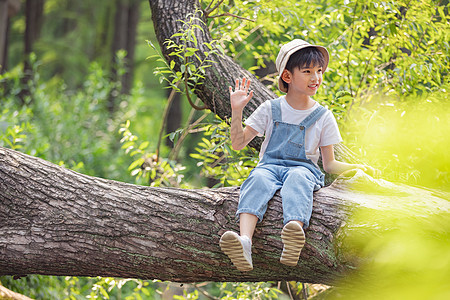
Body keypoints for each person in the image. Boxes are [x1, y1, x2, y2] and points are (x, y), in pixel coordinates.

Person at [219, 39, 378, 272]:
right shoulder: (270, 109)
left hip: (304, 169)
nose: (316, 78)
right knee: (257, 179)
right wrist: (237, 111)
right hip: (269, 167)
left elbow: (329, 164)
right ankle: (244, 242)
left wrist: (359, 168)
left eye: (319, 71)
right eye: (307, 71)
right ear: (287, 76)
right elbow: (238, 143)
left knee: (297, 178)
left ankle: (294, 231)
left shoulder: (323, 116)